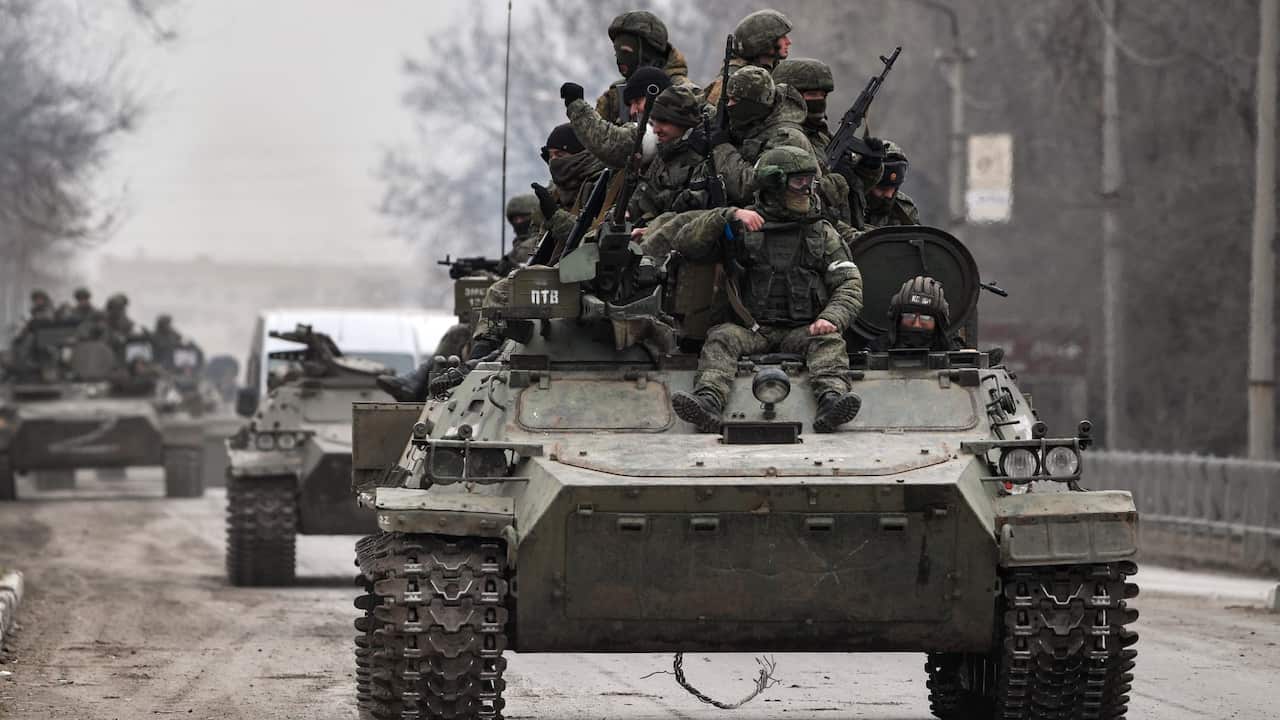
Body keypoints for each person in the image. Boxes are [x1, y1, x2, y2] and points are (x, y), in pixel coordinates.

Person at [668, 146, 864, 434]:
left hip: (802, 330)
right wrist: (727, 215)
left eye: (811, 181)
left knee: (828, 343)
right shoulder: (741, 226)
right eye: (799, 182)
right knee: (721, 338)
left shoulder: (821, 232)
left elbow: (849, 282)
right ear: (774, 185)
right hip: (752, 330)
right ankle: (708, 401)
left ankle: (832, 401)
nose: (807, 190)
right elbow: (686, 243)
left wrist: (831, 317)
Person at [712, 66, 817, 207]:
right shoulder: (750, 124)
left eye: (735, 100)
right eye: (728, 99)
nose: (729, 105)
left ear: (753, 105)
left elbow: (748, 188)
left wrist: (721, 148)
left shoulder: (786, 138)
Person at [562, 66, 673, 169]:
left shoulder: (660, 134)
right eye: (631, 105)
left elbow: (612, 143)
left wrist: (578, 107)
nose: (632, 111)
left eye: (637, 101)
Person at [596, 11, 692, 125]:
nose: (620, 59)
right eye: (617, 53)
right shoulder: (615, 97)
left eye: (626, 52)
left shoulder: (684, 94)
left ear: (648, 54)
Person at [704, 9, 793, 106]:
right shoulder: (733, 78)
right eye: (783, 37)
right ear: (764, 41)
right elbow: (713, 110)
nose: (789, 42)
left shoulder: (776, 70)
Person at [869, 276, 961, 351]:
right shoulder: (877, 349)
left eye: (925, 318)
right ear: (899, 319)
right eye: (909, 316)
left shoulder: (954, 354)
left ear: (937, 323)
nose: (916, 324)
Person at [863, 141, 921, 227]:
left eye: (894, 188)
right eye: (882, 189)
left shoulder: (905, 211)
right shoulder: (848, 201)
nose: (889, 195)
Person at [497, 194, 543, 275]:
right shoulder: (517, 246)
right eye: (515, 219)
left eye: (523, 218)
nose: (519, 222)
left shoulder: (541, 241)